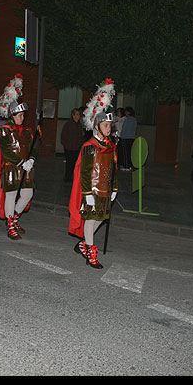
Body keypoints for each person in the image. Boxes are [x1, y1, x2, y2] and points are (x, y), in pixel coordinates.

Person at [68, 78, 118, 269]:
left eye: (110, 126)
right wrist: (87, 194)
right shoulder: (90, 146)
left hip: (105, 189)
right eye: (106, 126)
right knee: (91, 219)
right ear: (97, 126)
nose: (109, 128)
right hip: (93, 190)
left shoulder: (110, 146)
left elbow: (114, 169)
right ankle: (90, 251)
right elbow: (85, 171)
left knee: (100, 218)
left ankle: (83, 244)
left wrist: (114, 187)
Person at [0, 74, 37, 240]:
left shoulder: (27, 130)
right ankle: (10, 224)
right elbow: (5, 150)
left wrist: (31, 159)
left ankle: (15, 218)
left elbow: (34, 147)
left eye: (23, 115)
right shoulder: (4, 130)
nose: (22, 118)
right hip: (12, 168)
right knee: (10, 196)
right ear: (12, 115)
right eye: (19, 115)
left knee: (27, 194)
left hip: (27, 167)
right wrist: (21, 162)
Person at [60, 107, 85, 182]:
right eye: (77, 114)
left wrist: (80, 144)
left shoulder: (79, 125)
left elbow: (81, 136)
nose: (78, 116)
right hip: (69, 147)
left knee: (74, 163)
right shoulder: (68, 124)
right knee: (69, 163)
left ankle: (71, 176)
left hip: (76, 147)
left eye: (79, 114)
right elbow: (63, 135)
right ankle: (67, 177)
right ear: (73, 115)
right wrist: (66, 144)